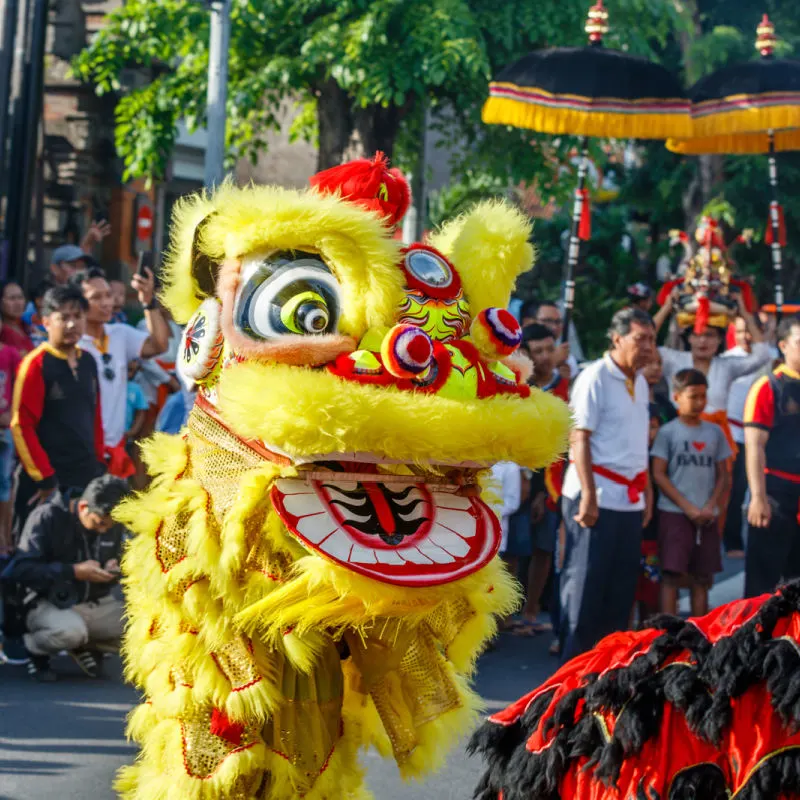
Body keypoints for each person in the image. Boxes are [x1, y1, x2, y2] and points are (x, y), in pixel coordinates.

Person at [560, 307, 655, 661]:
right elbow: (579, 437)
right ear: (617, 339)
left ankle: (607, 672)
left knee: (620, 593)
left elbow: (635, 443)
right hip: (595, 496)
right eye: (639, 339)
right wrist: (588, 496)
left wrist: (644, 493)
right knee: (586, 590)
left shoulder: (641, 380)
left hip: (627, 499)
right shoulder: (594, 377)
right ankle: (571, 675)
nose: (647, 346)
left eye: (651, 339)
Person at [1, 475, 129, 681]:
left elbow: (122, 559)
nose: (104, 530)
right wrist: (73, 571)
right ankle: (33, 647)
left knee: (144, 627)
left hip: (95, 602)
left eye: (109, 526)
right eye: (100, 524)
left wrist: (116, 568)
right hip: (48, 603)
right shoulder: (47, 516)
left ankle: (84, 644)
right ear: (83, 507)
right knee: (69, 632)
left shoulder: (111, 522)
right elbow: (20, 570)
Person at [11, 286, 106, 526]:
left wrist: (98, 464)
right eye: (64, 318)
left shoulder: (89, 361)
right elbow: (21, 425)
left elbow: (94, 416)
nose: (72, 324)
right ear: (46, 322)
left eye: (78, 317)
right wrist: (44, 479)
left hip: (85, 476)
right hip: (47, 482)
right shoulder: (35, 364)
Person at [73, 266, 169, 477]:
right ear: (78, 303)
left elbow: (159, 345)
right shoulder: (73, 343)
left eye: (108, 295)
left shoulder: (120, 334)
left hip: (115, 449)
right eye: (96, 297)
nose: (107, 302)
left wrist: (148, 301)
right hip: (81, 450)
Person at [651, 369, 731, 617]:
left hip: (706, 514)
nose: (699, 403)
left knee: (702, 577)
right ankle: (666, 632)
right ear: (676, 397)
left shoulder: (714, 432)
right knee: (671, 575)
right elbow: (659, 474)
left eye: (703, 397)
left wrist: (710, 505)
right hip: (674, 513)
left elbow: (724, 474)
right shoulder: (668, 432)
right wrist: (687, 507)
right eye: (693, 396)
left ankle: (698, 631)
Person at [512, 323, 568, 636]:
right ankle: (507, 613)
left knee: (544, 550)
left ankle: (532, 610)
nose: (545, 357)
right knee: (514, 550)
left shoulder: (567, 386)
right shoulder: (517, 386)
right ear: (526, 354)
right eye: (538, 351)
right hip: (518, 474)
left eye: (550, 349)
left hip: (552, 478)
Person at [743, 314, 800, 596]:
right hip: (776, 494)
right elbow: (754, 446)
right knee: (763, 587)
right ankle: (755, 640)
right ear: (784, 345)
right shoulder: (768, 386)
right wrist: (758, 497)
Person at [722, 315, 771, 557]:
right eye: (740, 331)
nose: (746, 337)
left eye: (749, 331)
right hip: (734, 434)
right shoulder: (727, 360)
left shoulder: (771, 356)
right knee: (735, 489)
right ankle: (732, 541)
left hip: (765, 434)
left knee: (764, 489)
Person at [0, 313, 21, 556]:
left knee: (5, 485)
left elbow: (20, 390)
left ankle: (4, 538)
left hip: (5, 432)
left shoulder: (10, 354)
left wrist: (12, 414)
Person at [522, 300, 580, 380]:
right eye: (547, 321)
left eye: (558, 322)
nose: (554, 327)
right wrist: (552, 362)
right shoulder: (509, 354)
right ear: (527, 322)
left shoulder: (568, 359)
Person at [642, 351, 676, 426]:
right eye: (649, 362)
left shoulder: (665, 403)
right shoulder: (630, 401)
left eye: (659, 363)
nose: (656, 368)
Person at [0, 281, 34, 354]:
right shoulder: (2, 331)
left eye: (20, 297)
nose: (18, 303)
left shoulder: (27, 327)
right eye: (12, 298)